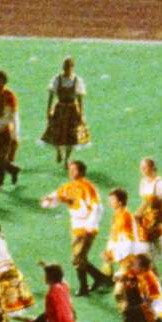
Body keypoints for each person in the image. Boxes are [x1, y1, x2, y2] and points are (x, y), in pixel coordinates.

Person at [41, 162, 107, 295]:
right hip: (76, 227)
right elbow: (55, 197)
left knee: (77, 258)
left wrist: (90, 225)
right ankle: (100, 278)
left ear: (81, 172)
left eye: (74, 170)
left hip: (86, 227)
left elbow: (97, 208)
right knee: (80, 258)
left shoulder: (87, 187)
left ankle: (84, 287)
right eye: (70, 169)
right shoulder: (69, 186)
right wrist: (47, 200)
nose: (70, 172)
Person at [42, 58, 88, 165]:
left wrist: (81, 113)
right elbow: (51, 95)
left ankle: (67, 158)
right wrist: (48, 110)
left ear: (72, 67)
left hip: (72, 109)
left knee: (72, 136)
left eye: (69, 66)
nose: (66, 69)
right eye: (65, 66)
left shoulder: (77, 80)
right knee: (56, 132)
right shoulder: (57, 79)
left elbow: (80, 98)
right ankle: (59, 151)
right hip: (60, 109)